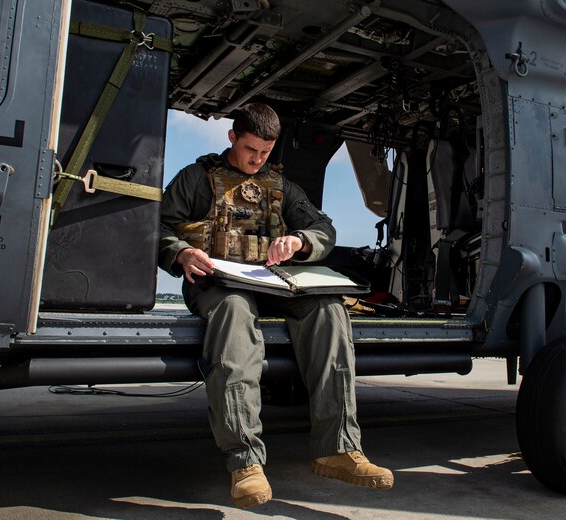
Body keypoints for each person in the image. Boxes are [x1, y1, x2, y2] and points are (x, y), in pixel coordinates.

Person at [158, 102, 393, 509]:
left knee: (330, 312)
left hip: (271, 280)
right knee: (234, 316)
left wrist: (300, 241)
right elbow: (157, 225)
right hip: (215, 281)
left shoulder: (282, 187)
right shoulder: (196, 178)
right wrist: (180, 253)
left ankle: (338, 448)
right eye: (251, 150)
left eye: (266, 152)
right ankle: (244, 461)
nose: (258, 159)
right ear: (232, 138)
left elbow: (323, 228)